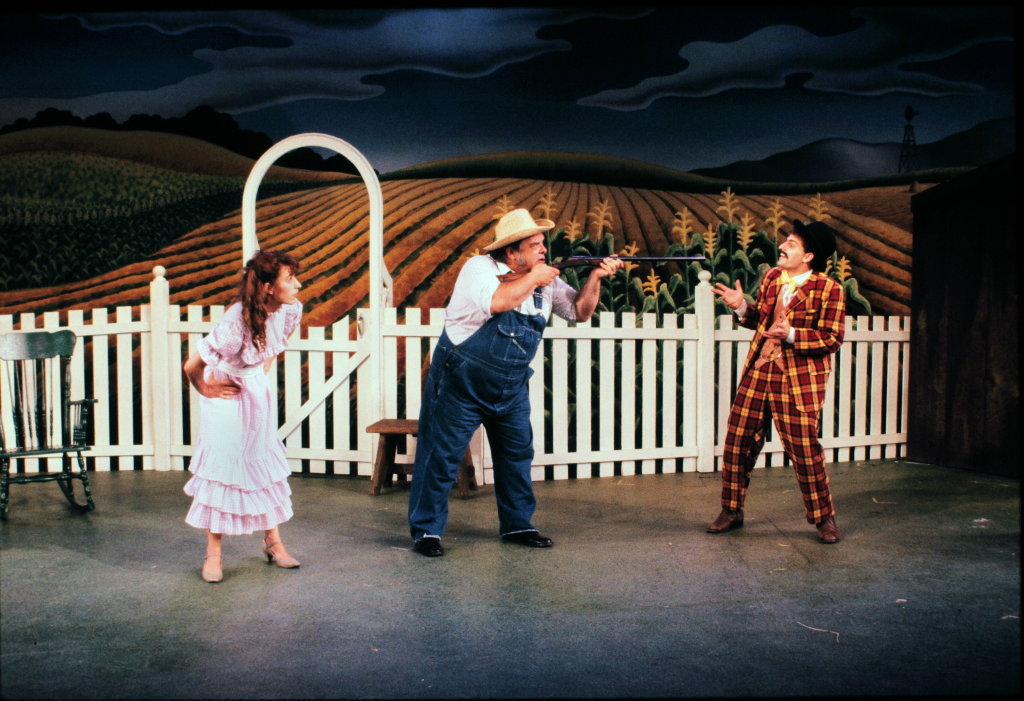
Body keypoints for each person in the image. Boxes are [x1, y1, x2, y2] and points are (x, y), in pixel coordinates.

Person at [407, 208, 624, 556]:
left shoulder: (544, 279)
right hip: (461, 383)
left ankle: (518, 525)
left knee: (517, 456)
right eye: (535, 245)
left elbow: (579, 312)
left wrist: (596, 277)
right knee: (441, 456)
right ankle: (426, 531)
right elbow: (498, 302)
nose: (543, 250)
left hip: (511, 386)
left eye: (542, 244)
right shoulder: (479, 268)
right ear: (511, 251)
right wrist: (536, 277)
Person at [707, 220, 846, 543]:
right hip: (759, 371)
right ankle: (731, 510)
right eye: (786, 241)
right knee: (738, 443)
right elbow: (761, 320)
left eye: (792, 244)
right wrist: (742, 306)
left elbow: (832, 338)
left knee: (804, 450)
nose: (782, 247)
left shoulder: (830, 289)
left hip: (796, 380)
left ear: (809, 256)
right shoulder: (772, 278)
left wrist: (793, 335)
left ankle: (823, 518)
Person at [182, 250, 304, 582]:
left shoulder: (289, 309)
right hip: (228, 396)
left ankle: (273, 543)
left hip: (256, 393)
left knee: (261, 463)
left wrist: (257, 377)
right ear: (267, 286)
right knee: (224, 470)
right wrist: (207, 389)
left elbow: (274, 347)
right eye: (289, 278)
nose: (297, 285)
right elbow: (192, 366)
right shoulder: (236, 319)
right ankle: (213, 553)